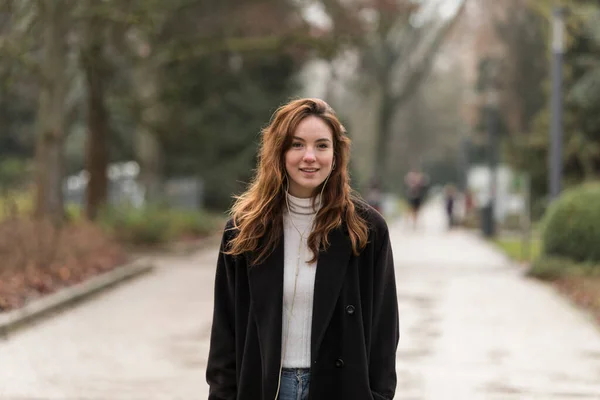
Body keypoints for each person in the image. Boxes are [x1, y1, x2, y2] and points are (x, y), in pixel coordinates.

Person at [206, 98, 399, 400]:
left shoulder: (365, 230)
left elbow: (384, 330)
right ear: (279, 152)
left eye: (322, 146)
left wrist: (378, 396)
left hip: (341, 390)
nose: (310, 156)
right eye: (297, 144)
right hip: (265, 388)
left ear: (336, 156)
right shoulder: (246, 229)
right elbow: (225, 331)